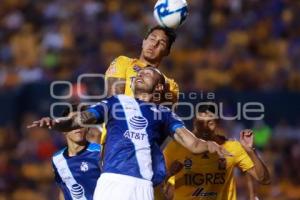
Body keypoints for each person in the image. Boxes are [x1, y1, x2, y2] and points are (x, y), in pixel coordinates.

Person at [28, 67, 231, 200]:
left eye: (148, 73)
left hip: (142, 187)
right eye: (139, 73)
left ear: (159, 86)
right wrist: (56, 123)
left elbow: (193, 143)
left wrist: (212, 146)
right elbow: (80, 119)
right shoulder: (116, 102)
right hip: (112, 181)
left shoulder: (165, 114)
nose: (141, 74)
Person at [163, 105, 271, 200]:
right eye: (200, 123)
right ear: (194, 122)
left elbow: (264, 179)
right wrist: (168, 175)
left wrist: (250, 151)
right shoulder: (175, 147)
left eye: (210, 123)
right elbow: (157, 186)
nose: (204, 128)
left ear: (218, 123)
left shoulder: (232, 147)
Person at [51, 105, 102, 200]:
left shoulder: (100, 152)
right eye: (73, 122)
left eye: (82, 122)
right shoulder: (57, 159)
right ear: (64, 130)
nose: (78, 126)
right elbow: (63, 191)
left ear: (87, 128)